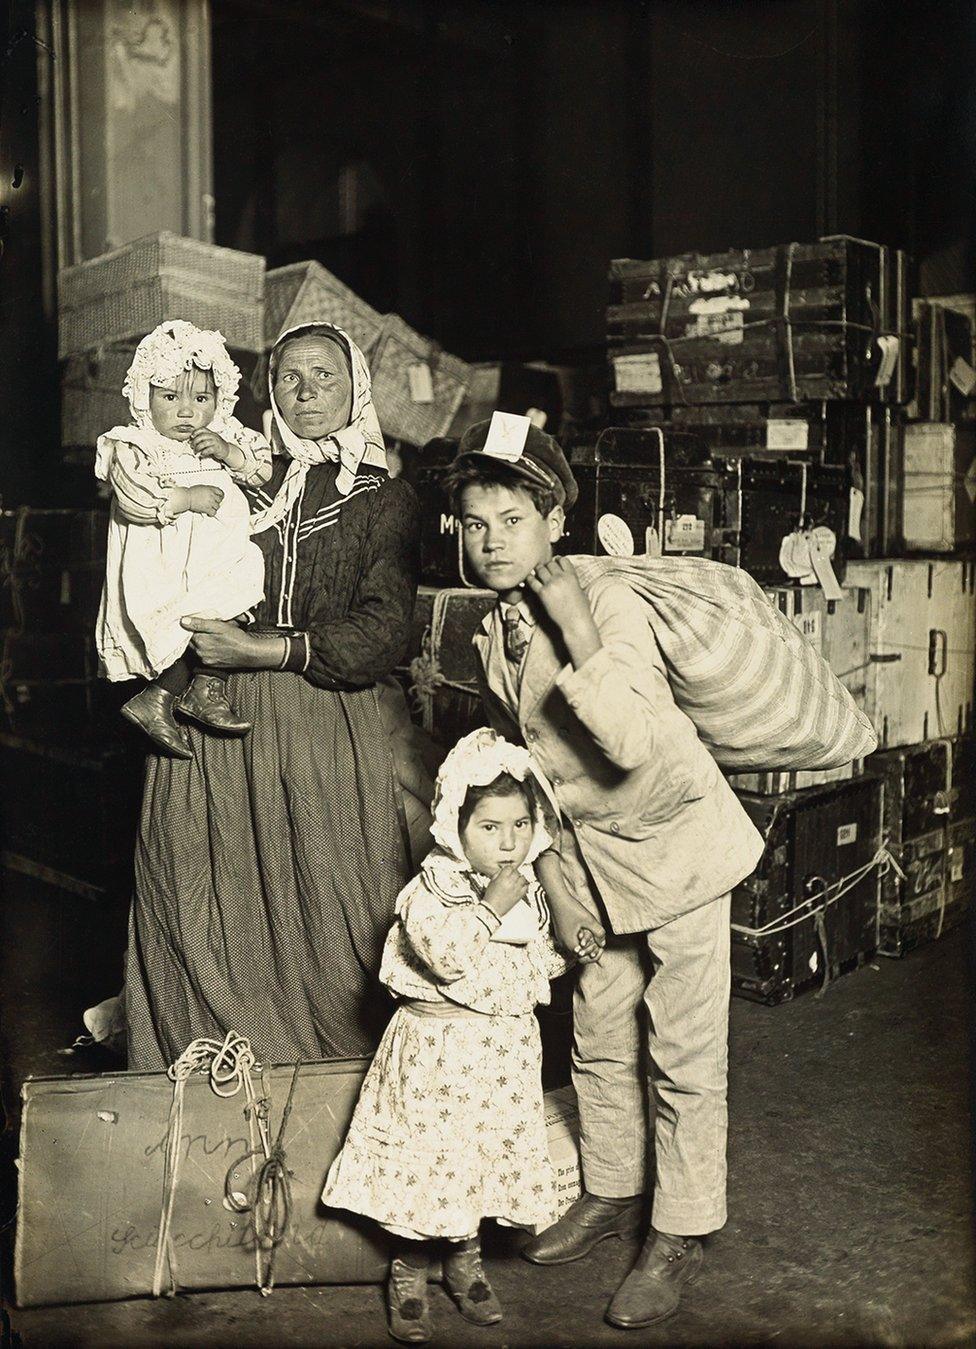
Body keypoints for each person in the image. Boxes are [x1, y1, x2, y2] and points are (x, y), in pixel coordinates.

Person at [440, 413, 765, 1331]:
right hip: (593, 861)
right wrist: (552, 876)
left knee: (685, 1051)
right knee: (596, 1032)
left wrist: (578, 624)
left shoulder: (606, 600)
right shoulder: (492, 626)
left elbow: (624, 737)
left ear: (554, 519)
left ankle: (682, 1229)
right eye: (474, 522)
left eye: (511, 518)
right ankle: (615, 1188)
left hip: (679, 847)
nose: (493, 540)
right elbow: (528, 769)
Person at [124, 321, 420, 1070]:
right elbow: (152, 495)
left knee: (330, 907)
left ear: (357, 387)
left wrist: (263, 647)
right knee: (199, 896)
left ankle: (337, 1093)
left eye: (325, 374)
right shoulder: (242, 478)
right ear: (269, 393)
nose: (307, 389)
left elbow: (383, 633)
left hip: (318, 717)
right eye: (289, 377)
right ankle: (208, 1079)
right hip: (210, 719)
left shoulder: (385, 499)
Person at [322, 728, 602, 1344]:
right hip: (437, 1058)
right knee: (430, 1163)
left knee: (475, 1161)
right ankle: (409, 1268)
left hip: (498, 1059)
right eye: (490, 828)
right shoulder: (432, 892)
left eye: (520, 826)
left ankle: (465, 1259)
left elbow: (526, 969)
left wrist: (568, 949)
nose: (509, 844)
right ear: (455, 826)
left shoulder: (528, 892)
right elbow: (446, 957)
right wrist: (490, 907)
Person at [95, 320, 272, 757]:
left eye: (201, 398)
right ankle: (161, 694)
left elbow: (264, 470)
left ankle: (200, 690)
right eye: (170, 397)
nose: (186, 412)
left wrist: (229, 453)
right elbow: (134, 499)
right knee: (182, 623)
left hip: (219, 554)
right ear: (144, 396)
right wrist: (185, 497)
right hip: (166, 560)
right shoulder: (135, 444)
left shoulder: (222, 435)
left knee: (233, 603)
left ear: (219, 400)